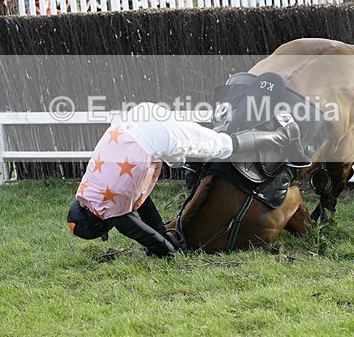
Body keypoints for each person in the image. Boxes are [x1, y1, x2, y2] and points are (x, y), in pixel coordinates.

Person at [67, 74, 303, 257]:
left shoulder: (108, 209)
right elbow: (144, 206)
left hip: (153, 139)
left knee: (222, 146)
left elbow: (142, 234)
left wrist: (168, 252)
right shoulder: (90, 187)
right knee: (193, 152)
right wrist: (163, 234)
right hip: (139, 117)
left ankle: (285, 135)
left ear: (99, 223)